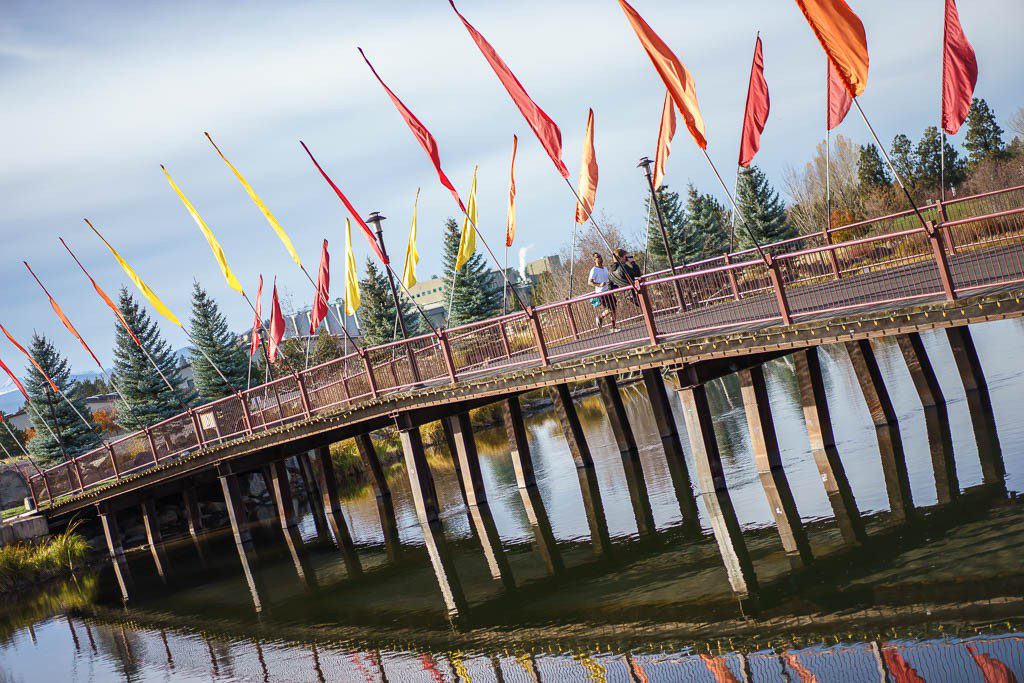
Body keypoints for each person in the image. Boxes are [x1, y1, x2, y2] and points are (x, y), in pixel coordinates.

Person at [588, 252, 617, 331]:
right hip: (601, 293)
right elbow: (590, 282)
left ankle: (614, 327)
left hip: (609, 290)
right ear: (595, 260)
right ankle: (600, 317)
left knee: (614, 309)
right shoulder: (594, 270)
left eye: (600, 256)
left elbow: (609, 279)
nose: (600, 258)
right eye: (598, 257)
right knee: (609, 309)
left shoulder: (605, 268)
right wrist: (599, 284)